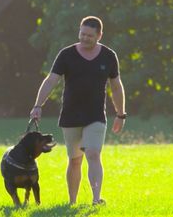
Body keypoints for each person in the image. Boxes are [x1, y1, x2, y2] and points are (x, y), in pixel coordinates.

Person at [29, 16, 126, 206]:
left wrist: (121, 114)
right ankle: (72, 202)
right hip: (71, 115)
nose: (84, 38)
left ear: (99, 35)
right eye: (82, 33)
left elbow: (116, 86)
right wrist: (38, 105)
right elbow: (51, 81)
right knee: (75, 160)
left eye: (89, 35)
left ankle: (96, 199)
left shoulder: (108, 55)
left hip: (96, 115)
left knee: (93, 153)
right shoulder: (66, 54)